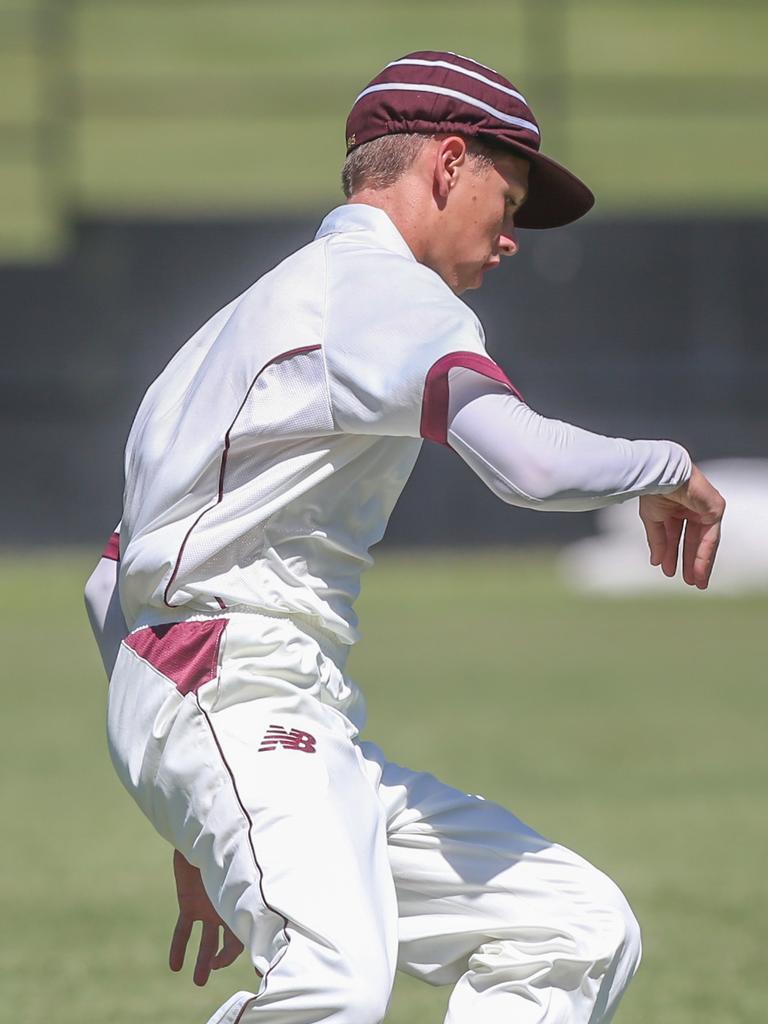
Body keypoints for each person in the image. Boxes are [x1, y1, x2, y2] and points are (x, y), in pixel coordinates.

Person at [85, 51, 725, 1024]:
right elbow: (532, 465)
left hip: (241, 706)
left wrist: (200, 813)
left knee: (575, 930)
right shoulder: (380, 289)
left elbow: (111, 585)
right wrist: (668, 464)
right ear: (447, 164)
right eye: (506, 205)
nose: (510, 240)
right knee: (335, 988)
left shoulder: (229, 329)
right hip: (238, 687)